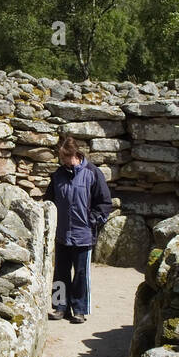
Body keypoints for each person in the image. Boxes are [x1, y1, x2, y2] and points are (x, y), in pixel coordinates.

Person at [42, 135, 113, 324]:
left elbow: (105, 203)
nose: (63, 160)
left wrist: (93, 221)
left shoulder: (92, 173)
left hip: (84, 234)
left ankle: (79, 310)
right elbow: (49, 201)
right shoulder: (58, 175)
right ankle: (59, 307)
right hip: (62, 234)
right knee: (60, 273)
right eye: (61, 157)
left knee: (81, 274)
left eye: (65, 157)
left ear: (75, 154)